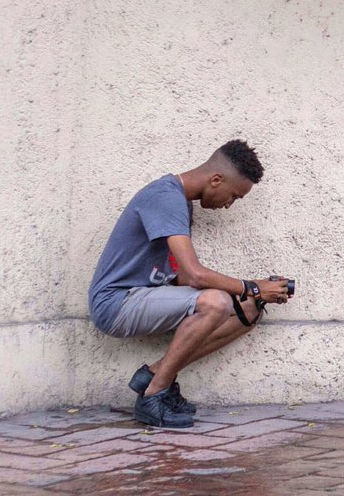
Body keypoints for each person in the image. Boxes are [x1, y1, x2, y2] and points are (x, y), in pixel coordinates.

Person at [88, 140, 292, 427]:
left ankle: (153, 375)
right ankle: (153, 396)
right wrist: (253, 286)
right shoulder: (165, 197)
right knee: (217, 302)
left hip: (146, 297)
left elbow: (182, 276)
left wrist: (252, 295)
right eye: (233, 196)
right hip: (116, 303)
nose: (229, 204)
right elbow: (195, 275)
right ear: (216, 179)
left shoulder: (180, 203)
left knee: (248, 309)